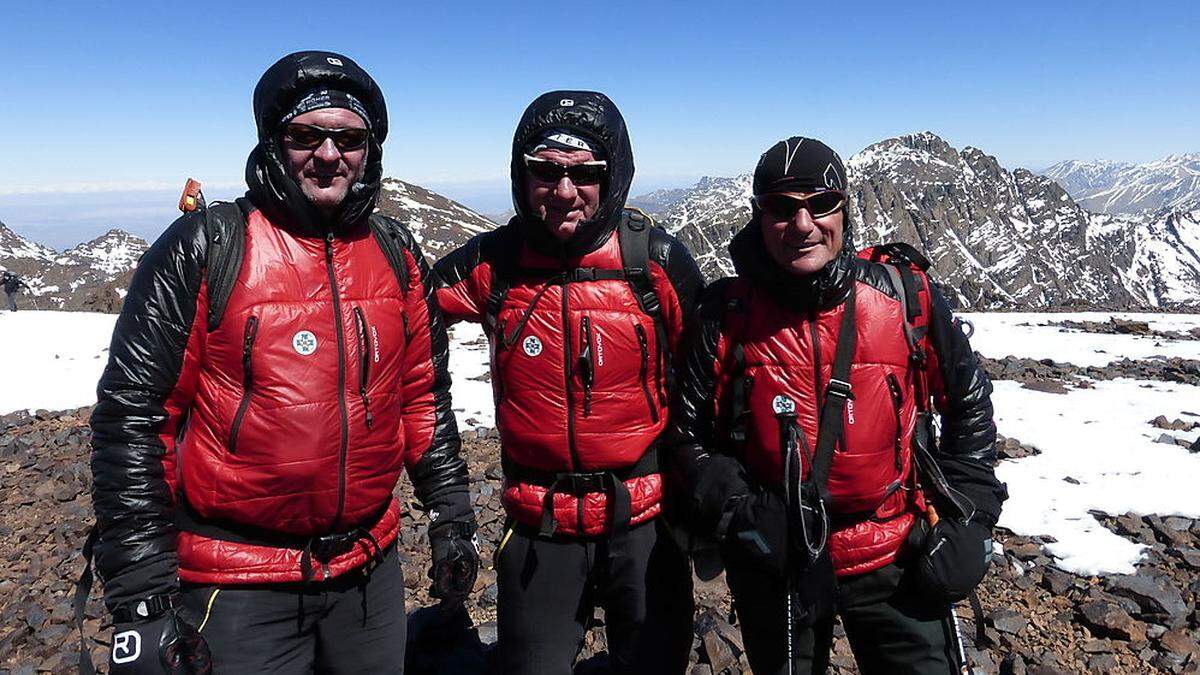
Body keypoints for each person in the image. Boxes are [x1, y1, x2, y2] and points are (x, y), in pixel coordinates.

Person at [89, 50, 478, 673]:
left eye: (348, 138)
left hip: (369, 573)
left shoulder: (395, 252)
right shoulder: (207, 248)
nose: (329, 154)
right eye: (306, 135)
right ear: (274, 141)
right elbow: (134, 421)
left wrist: (452, 514)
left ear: (369, 150)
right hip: (238, 581)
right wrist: (142, 596)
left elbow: (423, 396)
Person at [670, 137, 1007, 674]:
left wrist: (972, 517)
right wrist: (741, 512)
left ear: (845, 210)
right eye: (781, 207)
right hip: (779, 560)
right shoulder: (725, 317)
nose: (803, 224)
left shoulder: (906, 296)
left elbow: (968, 404)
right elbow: (685, 437)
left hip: (898, 551)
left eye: (820, 204)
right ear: (759, 217)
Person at [433, 91, 704, 674]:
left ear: (614, 178)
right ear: (520, 174)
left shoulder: (651, 261)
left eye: (585, 173)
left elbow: (713, 365)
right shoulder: (495, 263)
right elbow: (401, 306)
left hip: (646, 523)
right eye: (545, 171)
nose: (563, 190)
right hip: (539, 524)